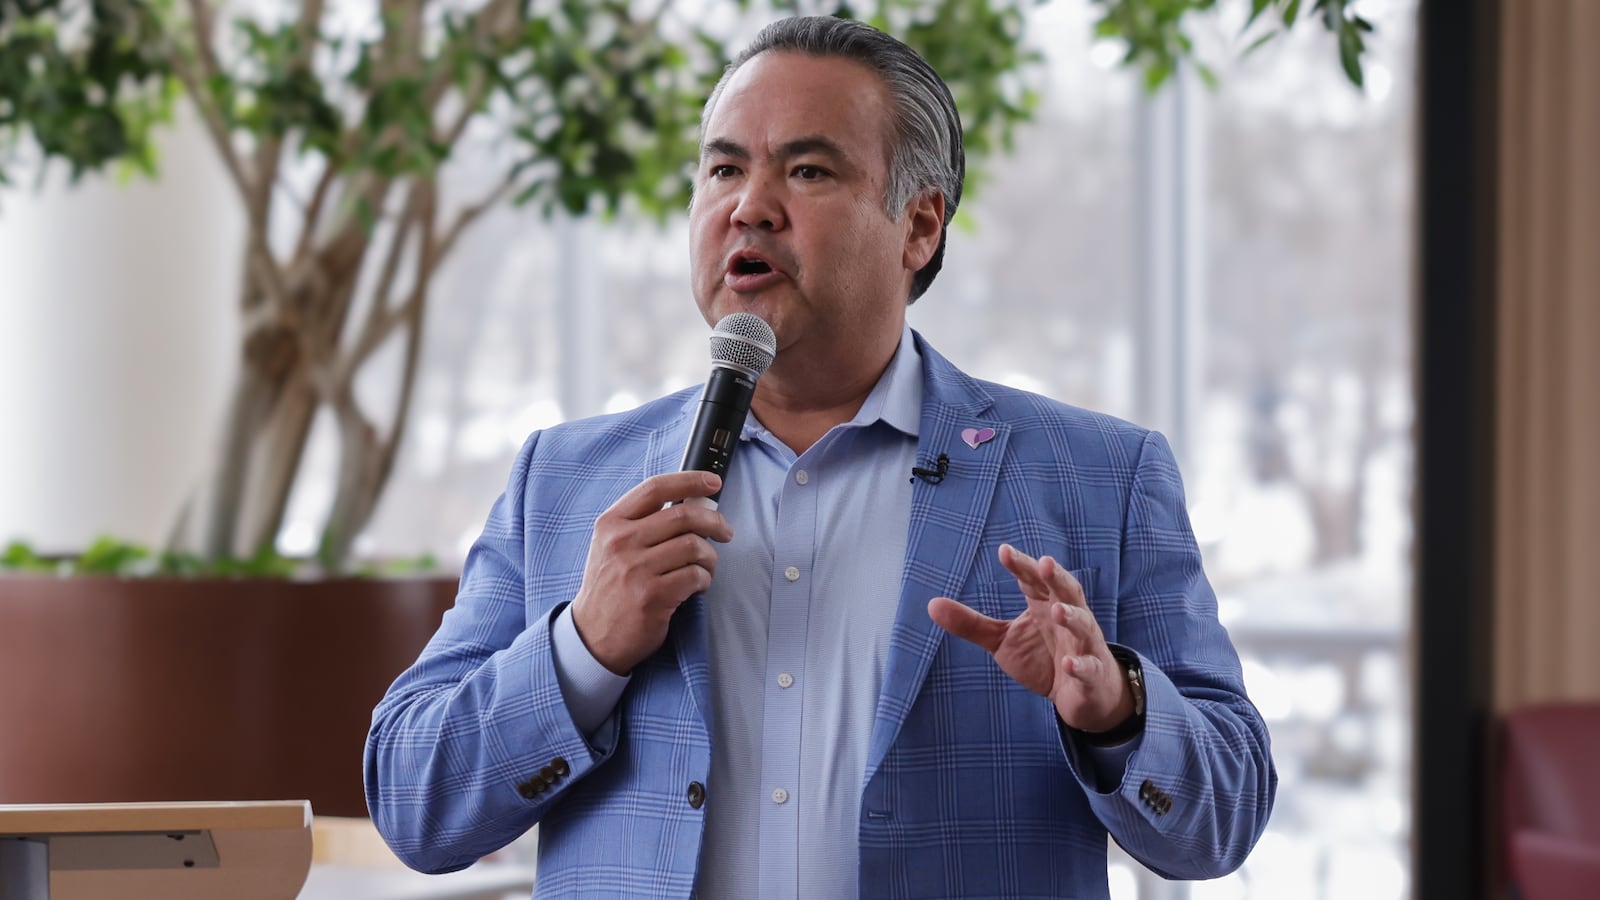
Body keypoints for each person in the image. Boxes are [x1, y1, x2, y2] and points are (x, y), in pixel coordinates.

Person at [365, 15, 1275, 899]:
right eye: (724, 168)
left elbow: (1224, 819)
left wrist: (1117, 710)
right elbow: (413, 806)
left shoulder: (1101, 478)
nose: (748, 207)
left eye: (807, 170)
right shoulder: (563, 480)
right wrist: (583, 649)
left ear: (919, 226)